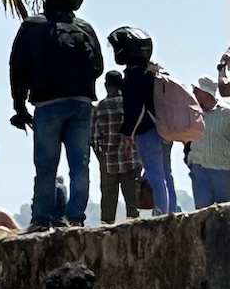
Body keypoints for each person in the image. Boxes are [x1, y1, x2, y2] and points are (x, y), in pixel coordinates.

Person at [9, 0, 104, 229]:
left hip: (48, 105)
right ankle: (76, 218)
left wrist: (19, 106)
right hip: (83, 104)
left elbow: (18, 69)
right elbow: (98, 67)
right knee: (80, 165)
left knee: (46, 166)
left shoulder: (32, 26)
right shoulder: (86, 28)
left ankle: (41, 218)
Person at [111, 25, 182, 218]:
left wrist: (127, 134)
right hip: (164, 130)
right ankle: (170, 211)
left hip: (147, 132)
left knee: (154, 174)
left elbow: (136, 109)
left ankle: (160, 213)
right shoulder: (152, 73)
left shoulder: (134, 76)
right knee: (166, 174)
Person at [91, 68, 143, 222]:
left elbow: (94, 139)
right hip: (131, 160)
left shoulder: (100, 108)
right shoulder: (131, 103)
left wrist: (101, 158)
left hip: (109, 162)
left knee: (108, 205)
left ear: (106, 85)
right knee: (133, 209)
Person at [189, 78, 230, 210]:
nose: (193, 92)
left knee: (224, 216)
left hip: (222, 171)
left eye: (196, 90)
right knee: (201, 215)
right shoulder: (193, 113)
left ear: (205, 93)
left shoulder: (226, 113)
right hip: (199, 170)